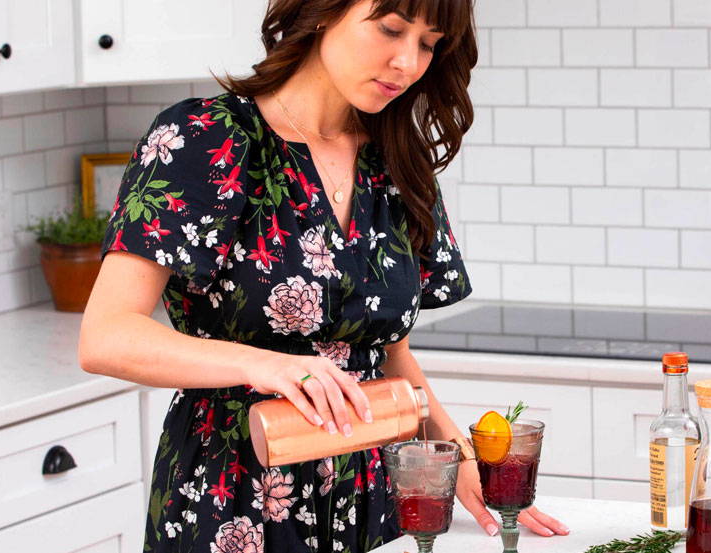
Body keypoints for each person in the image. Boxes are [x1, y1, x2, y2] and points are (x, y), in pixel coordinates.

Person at [78, 1, 568, 551]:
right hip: (233, 494)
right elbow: (106, 336)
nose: (407, 62)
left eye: (428, 44)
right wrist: (270, 365)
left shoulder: (397, 161)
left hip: (373, 500)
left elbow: (390, 355)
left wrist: (462, 460)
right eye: (390, 29)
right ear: (320, 13)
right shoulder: (206, 137)